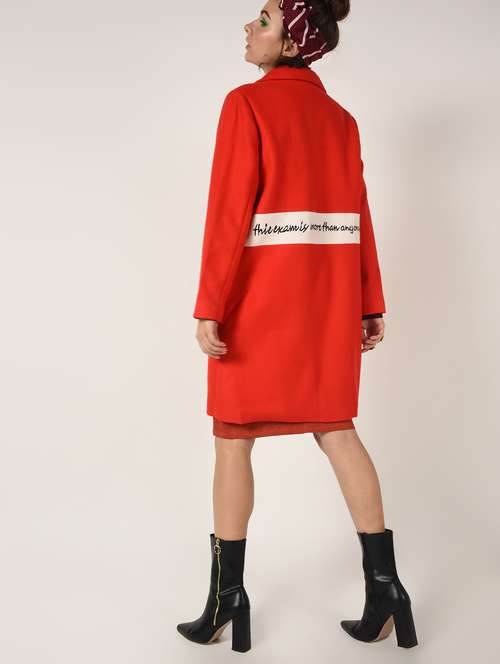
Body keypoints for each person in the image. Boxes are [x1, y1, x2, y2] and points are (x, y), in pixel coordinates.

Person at [177, 0, 418, 653]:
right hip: (326, 307)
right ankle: (387, 589)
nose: (248, 27)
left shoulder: (245, 105)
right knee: (336, 429)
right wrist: (368, 301)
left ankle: (227, 599)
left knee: (233, 440)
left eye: (263, 20)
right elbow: (357, 212)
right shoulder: (341, 120)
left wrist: (210, 304)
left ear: (289, 44)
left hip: (257, 309)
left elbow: (228, 213)